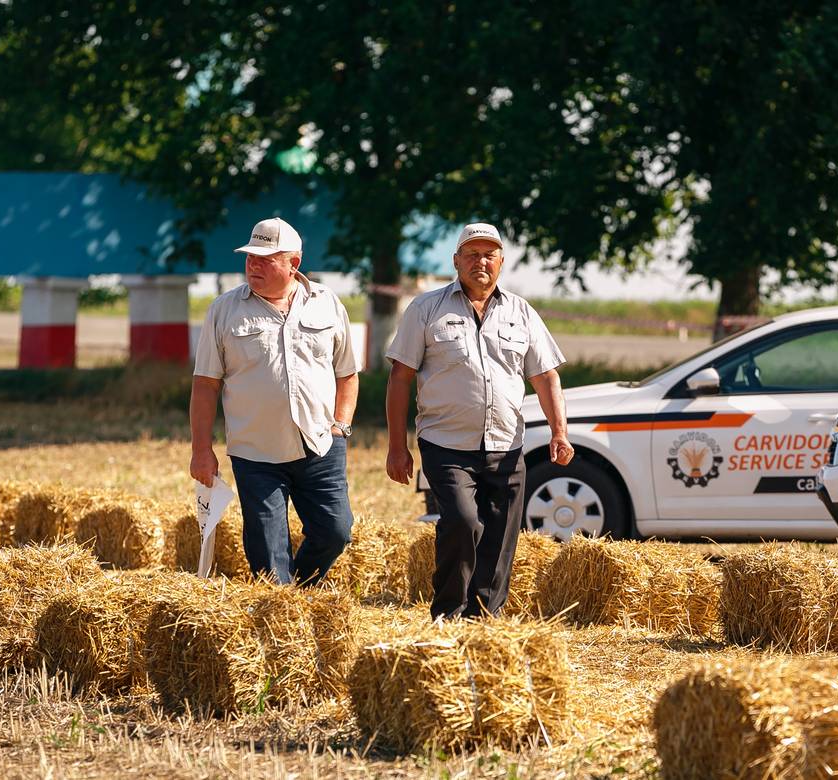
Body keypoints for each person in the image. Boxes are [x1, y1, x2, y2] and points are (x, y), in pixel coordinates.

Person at [384, 222, 573, 620]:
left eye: (489, 254)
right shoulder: (426, 308)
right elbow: (400, 377)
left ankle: (485, 617)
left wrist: (560, 432)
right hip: (445, 443)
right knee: (463, 522)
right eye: (471, 254)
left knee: (502, 534)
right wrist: (397, 447)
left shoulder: (521, 312)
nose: (480, 262)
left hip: (506, 443)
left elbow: (545, 376)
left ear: (501, 262)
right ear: (456, 261)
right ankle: (449, 613)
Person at [190, 216, 359, 585]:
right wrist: (201, 450)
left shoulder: (327, 304)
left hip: (320, 445)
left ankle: (297, 593)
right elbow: (205, 385)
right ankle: (280, 613)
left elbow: (347, 373)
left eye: (265, 259)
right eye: (251, 257)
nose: (253, 265)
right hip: (256, 454)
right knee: (268, 556)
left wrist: (341, 426)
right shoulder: (224, 310)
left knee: (336, 531)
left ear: (293, 264)